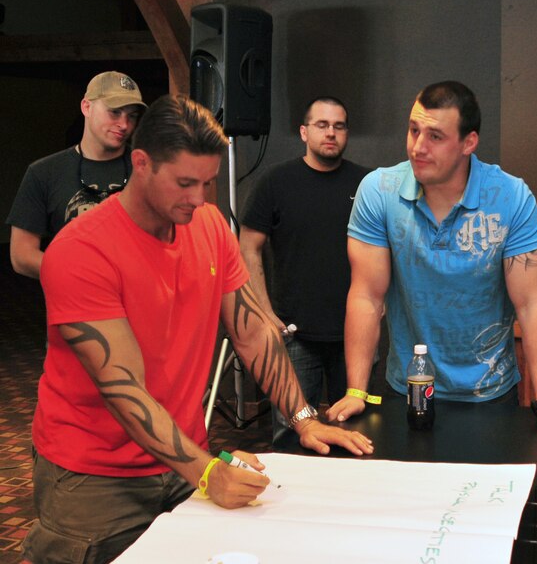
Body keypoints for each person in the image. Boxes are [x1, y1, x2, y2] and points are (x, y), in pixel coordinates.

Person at [23, 95, 373, 564]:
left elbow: (252, 332)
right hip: (94, 478)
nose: (198, 198)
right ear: (141, 164)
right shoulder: (81, 251)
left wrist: (303, 418)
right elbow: (123, 388)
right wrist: (207, 472)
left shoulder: (207, 224)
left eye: (207, 183)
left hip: (184, 455)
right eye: (185, 183)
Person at [326, 81, 537, 446]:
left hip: (490, 392)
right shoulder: (379, 191)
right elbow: (367, 296)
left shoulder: (510, 196)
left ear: (468, 142)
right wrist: (356, 390)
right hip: (409, 386)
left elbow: (532, 302)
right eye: (414, 130)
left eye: (435, 136)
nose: (418, 147)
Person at [240, 97, 371, 444]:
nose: (331, 133)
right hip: (294, 335)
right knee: (291, 436)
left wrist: (382, 302)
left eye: (339, 126)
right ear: (303, 132)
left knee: (361, 435)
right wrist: (264, 312)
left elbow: (389, 247)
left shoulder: (367, 184)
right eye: (321, 125)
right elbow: (247, 247)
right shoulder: (276, 182)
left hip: (355, 334)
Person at [6, 71, 146, 279]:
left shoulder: (150, 171)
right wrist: (83, 276)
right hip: (72, 297)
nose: (124, 124)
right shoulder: (44, 172)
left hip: (138, 295)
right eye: (114, 112)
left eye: (132, 115)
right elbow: (22, 255)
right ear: (87, 107)